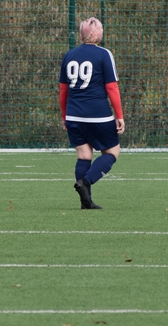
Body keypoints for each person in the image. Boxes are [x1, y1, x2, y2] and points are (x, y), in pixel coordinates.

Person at [58, 17, 125, 210]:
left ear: (81, 36)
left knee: (84, 154)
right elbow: (112, 87)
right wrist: (119, 115)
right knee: (112, 152)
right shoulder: (104, 54)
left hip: (74, 115)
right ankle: (86, 182)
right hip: (98, 115)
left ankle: (85, 201)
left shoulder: (69, 55)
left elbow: (63, 90)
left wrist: (64, 116)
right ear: (99, 35)